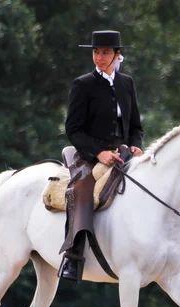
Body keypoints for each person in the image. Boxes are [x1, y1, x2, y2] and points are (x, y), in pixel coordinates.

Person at [59, 30, 144, 281]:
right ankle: (73, 257)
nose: (99, 57)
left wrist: (136, 145)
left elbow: (136, 126)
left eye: (105, 52)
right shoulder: (83, 84)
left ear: (117, 54)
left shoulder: (126, 83)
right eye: (96, 52)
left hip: (123, 153)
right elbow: (73, 130)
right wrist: (99, 153)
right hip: (89, 154)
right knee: (82, 188)